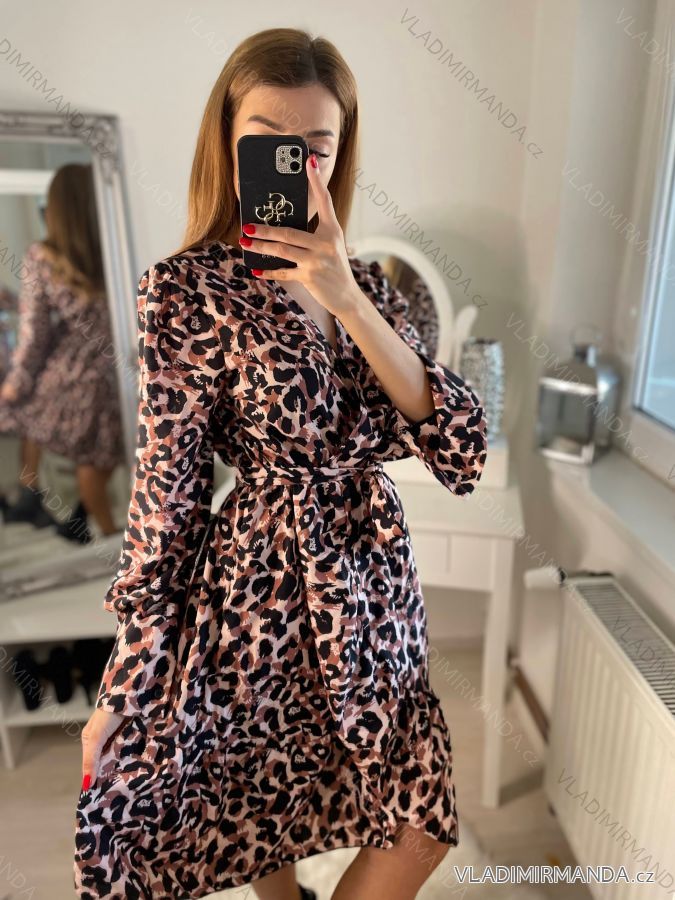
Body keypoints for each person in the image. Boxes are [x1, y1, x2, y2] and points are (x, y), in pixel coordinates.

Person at [74, 27, 487, 900]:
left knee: (419, 822)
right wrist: (126, 681)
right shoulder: (184, 290)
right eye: (267, 140)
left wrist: (346, 297)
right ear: (226, 141)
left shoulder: (371, 285)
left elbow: (461, 449)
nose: (294, 165)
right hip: (258, 586)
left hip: (372, 584)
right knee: (262, 800)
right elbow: (165, 501)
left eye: (316, 147)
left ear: (339, 154)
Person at [0, 164, 125, 538]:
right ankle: (89, 524)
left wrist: (18, 382)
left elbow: (34, 333)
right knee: (102, 457)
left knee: (92, 457)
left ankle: (90, 526)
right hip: (114, 369)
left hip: (72, 373)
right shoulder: (116, 243)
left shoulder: (44, 256)